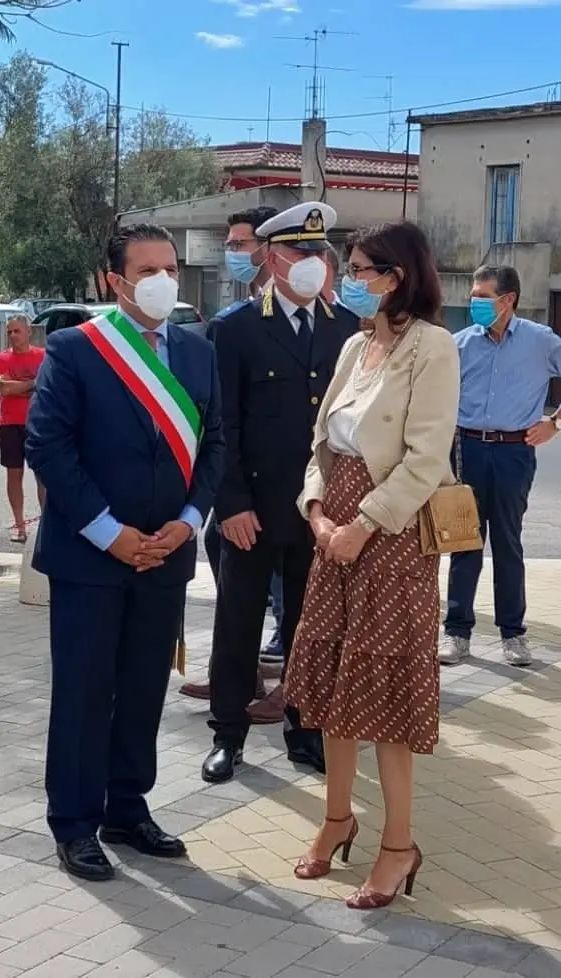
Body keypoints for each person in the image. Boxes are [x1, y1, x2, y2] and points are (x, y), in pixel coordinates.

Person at [25, 223, 225, 882]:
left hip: (167, 552)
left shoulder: (198, 354)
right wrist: (112, 534)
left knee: (142, 686)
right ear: (116, 281)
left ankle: (126, 807)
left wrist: (189, 520)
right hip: (91, 557)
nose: (164, 280)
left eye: (171, 267)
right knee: (86, 692)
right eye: (148, 270)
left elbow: (215, 445)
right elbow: (48, 446)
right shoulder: (75, 349)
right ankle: (75, 823)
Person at [284, 220, 459, 911]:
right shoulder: (355, 346)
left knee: (383, 693)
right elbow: (321, 443)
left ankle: (399, 845)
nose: (348, 279)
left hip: (391, 537)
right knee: (332, 687)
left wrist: (360, 525)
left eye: (360, 268)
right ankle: (336, 818)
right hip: (336, 532)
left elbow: (426, 459)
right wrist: (319, 510)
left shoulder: (433, 347)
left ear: (396, 275)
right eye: (349, 268)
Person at [200, 201, 360, 784]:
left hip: (320, 511)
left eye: (319, 252)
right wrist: (231, 503)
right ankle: (228, 732)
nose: (311, 262)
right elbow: (220, 427)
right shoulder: (235, 329)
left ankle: (304, 726)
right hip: (254, 510)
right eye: (298, 252)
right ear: (270, 258)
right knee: (238, 623)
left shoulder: (347, 329)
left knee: (308, 624)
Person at [439, 265, 561, 668]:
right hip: (467, 450)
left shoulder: (539, 340)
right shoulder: (459, 344)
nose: (474, 302)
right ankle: (457, 632)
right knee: (464, 543)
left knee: (508, 543)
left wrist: (556, 422)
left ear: (507, 299)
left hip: (514, 452)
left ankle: (513, 634)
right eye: (473, 294)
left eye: (482, 295)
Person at [180, 205, 284, 703]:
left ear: (269, 249)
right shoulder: (236, 316)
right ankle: (239, 679)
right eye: (231, 244)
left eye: (242, 244)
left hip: (288, 489)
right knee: (232, 576)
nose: (233, 253)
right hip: (239, 486)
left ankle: (288, 687)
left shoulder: (313, 313)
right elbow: (220, 416)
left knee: (288, 589)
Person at [0, 315, 46, 543]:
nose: (13, 336)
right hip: (10, 423)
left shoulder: (43, 356)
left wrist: (20, 387)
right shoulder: (2, 358)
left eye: (17, 331)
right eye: (9, 332)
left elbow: (46, 386)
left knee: (43, 475)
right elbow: (4, 388)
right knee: (14, 474)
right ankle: (20, 525)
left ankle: (47, 526)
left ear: (28, 332)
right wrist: (32, 384)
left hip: (38, 422)